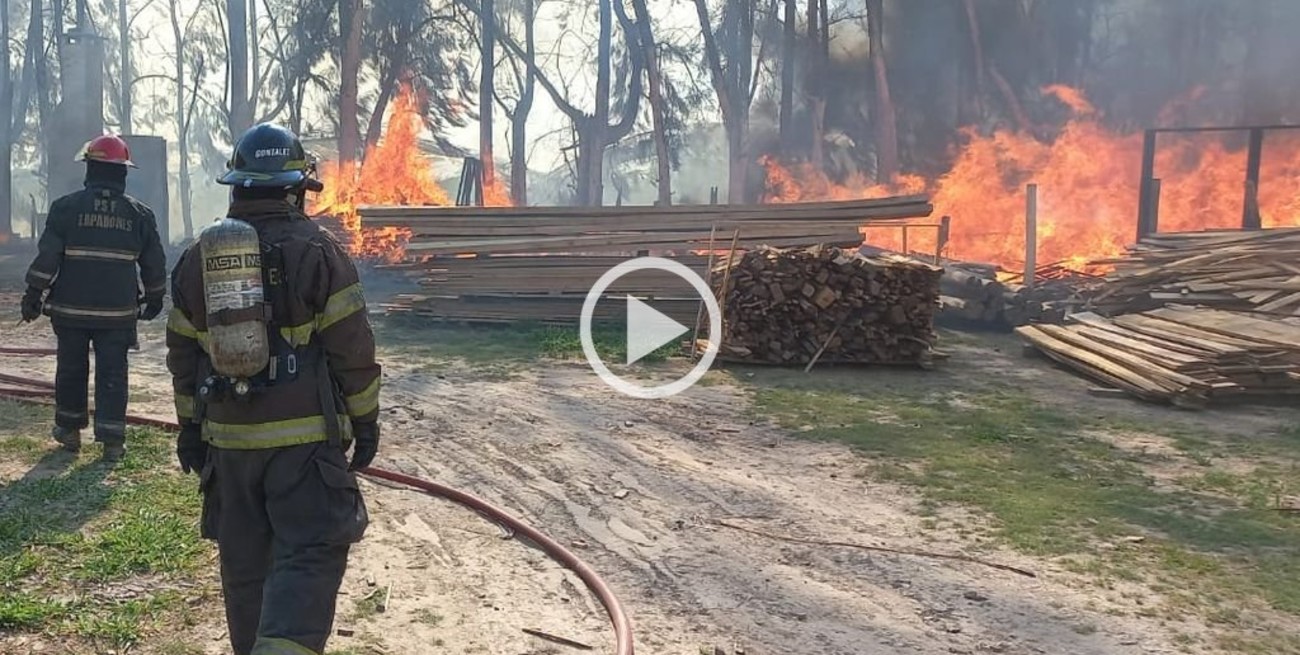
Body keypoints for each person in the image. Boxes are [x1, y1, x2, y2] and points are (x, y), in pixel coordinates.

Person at [165, 123, 382, 655]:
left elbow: (183, 356)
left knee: (245, 569)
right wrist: (367, 419)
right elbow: (351, 351)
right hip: (303, 449)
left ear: (237, 186)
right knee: (310, 553)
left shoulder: (198, 259)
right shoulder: (320, 252)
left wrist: (191, 428)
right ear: (292, 189)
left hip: (229, 450)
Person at [22, 134, 167, 462]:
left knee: (71, 369)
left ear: (89, 168)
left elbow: (48, 258)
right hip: (117, 314)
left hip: (70, 311)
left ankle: (70, 431)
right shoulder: (139, 215)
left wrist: (34, 294)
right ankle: (112, 439)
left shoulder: (65, 209)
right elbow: (154, 263)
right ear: (122, 173)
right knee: (113, 372)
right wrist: (156, 296)